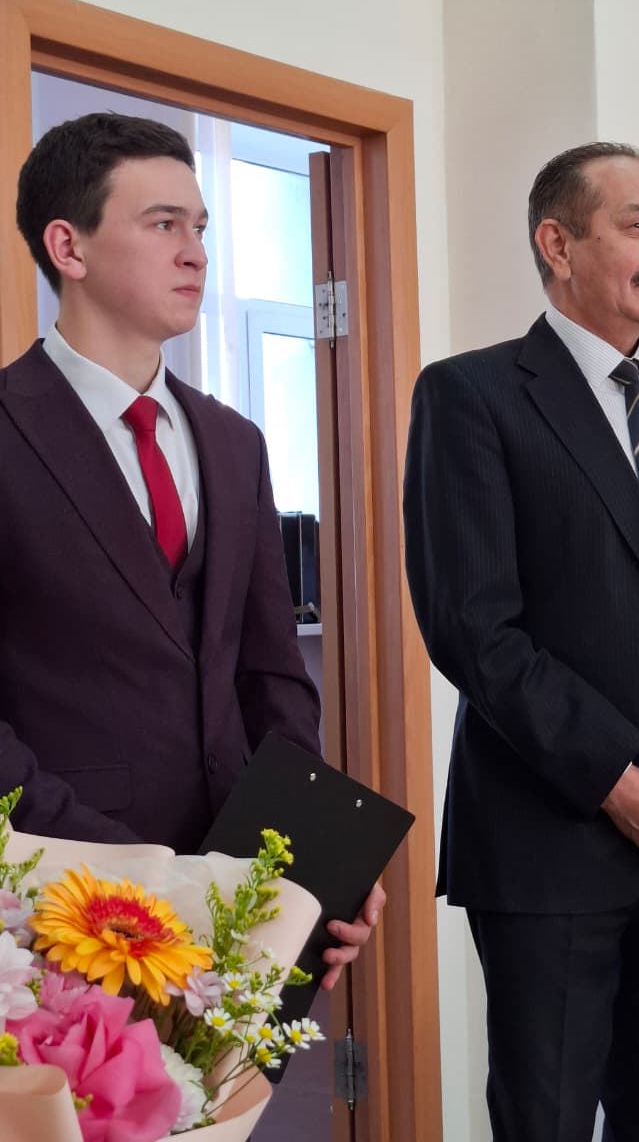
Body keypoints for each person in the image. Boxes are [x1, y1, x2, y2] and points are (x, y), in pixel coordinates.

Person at [403, 142, 639, 1141]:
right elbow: (473, 627)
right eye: (637, 225)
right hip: (551, 843)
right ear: (558, 242)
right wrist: (619, 779)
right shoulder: (471, 395)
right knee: (549, 1122)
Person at [4, 112, 382, 987]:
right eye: (163, 224)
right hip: (61, 903)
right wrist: (141, 875)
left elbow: (273, 676)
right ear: (68, 246)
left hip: (240, 897)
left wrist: (314, 867)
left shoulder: (234, 442)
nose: (196, 254)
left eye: (201, 228)